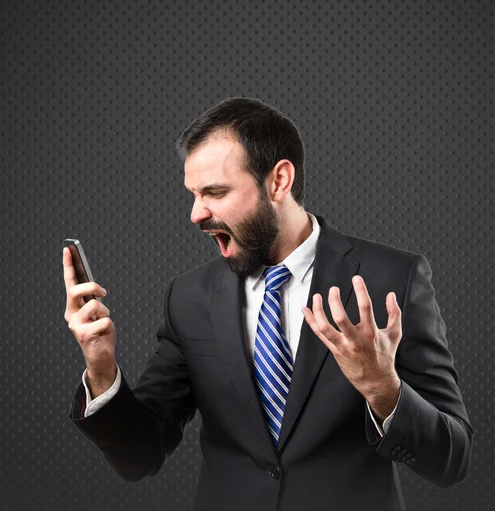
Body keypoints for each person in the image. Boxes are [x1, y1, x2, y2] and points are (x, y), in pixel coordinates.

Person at [64, 97, 473, 511]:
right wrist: (100, 368)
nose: (195, 213)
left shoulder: (393, 278)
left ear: (279, 181)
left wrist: (384, 391)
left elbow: (452, 461)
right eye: (193, 194)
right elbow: (139, 457)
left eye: (215, 192)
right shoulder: (189, 297)